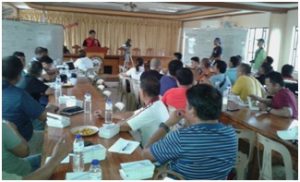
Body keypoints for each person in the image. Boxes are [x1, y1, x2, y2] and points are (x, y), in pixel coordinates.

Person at [142, 84, 237, 180]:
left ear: (192, 110)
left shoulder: (181, 138)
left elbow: (145, 154)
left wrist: (167, 124)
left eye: (186, 105)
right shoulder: (231, 134)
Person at [2, 56, 58, 153]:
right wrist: (51, 107)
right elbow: (44, 116)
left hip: (6, 143)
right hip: (23, 142)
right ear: (19, 75)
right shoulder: (18, 95)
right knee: (60, 139)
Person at [96, 76, 169, 147]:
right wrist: (107, 115)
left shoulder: (150, 110)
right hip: (159, 148)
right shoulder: (157, 102)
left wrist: (114, 124)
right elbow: (132, 114)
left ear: (142, 92)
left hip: (152, 153)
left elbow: (123, 127)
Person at [2, 122, 71, 180]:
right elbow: (25, 152)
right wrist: (56, 158)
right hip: (25, 173)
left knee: (54, 151)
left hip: (21, 163)